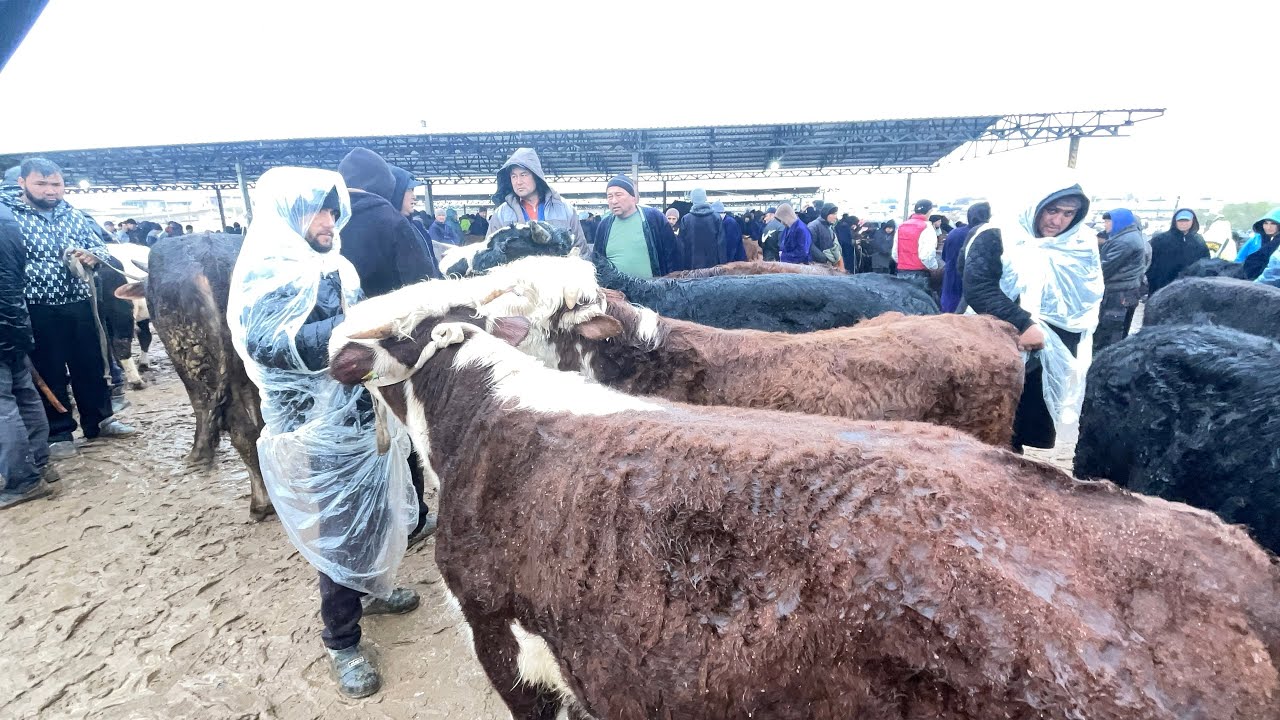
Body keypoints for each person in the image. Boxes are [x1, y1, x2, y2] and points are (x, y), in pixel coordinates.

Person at [227, 167, 419, 699]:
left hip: (358, 414)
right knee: (339, 528)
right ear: (290, 214)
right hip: (312, 428)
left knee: (378, 512)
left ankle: (374, 588)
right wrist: (355, 328)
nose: (329, 221)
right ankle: (342, 640)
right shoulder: (268, 273)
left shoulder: (334, 266)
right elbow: (269, 345)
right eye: (318, 210)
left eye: (334, 211)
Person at [0, 158, 135, 459]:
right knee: (49, 370)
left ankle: (100, 420)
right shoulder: (8, 216)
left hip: (79, 302)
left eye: (56, 184)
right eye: (41, 184)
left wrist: (91, 256)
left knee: (90, 363)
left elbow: (100, 247)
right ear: (22, 184)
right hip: (35, 307)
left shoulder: (72, 214)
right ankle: (59, 433)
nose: (50, 191)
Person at [963, 179, 1101, 453]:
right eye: (1052, 210)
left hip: (1049, 350)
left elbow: (1086, 294)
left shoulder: (1080, 244)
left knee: (1021, 421)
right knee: (985, 417)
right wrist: (1023, 323)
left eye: (1067, 213)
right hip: (996, 341)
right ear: (1036, 206)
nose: (1058, 220)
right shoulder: (997, 236)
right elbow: (978, 287)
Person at [0, 190, 56, 509]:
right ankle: (39, 463)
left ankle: (23, 479)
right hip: (16, 320)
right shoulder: (9, 216)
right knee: (22, 392)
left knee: (3, 404)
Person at [336, 148, 438, 298]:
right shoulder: (393, 222)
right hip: (394, 316)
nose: (414, 197)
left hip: (344, 316)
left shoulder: (328, 220)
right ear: (387, 185)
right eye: (410, 190)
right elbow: (421, 280)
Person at [488, 148, 588, 251]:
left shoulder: (564, 209)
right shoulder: (501, 214)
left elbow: (581, 249)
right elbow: (488, 252)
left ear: (536, 175)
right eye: (514, 176)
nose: (518, 182)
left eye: (523, 175)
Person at [594, 174, 680, 278]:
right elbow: (597, 261)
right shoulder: (604, 226)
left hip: (653, 291)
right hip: (616, 293)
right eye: (609, 196)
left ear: (633, 197)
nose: (614, 201)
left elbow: (673, 255)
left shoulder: (653, 218)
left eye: (619, 195)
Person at [1094, 208, 1150, 352]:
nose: (1105, 225)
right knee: (1119, 329)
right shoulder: (1129, 236)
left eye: (1108, 221)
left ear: (1120, 222)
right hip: (1127, 291)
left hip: (1118, 293)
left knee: (1110, 332)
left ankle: (1104, 361)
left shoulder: (1125, 241)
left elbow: (1104, 267)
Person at [941, 202, 991, 312]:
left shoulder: (954, 233)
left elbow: (944, 257)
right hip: (975, 295)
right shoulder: (990, 235)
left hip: (951, 287)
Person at [1145, 209, 1209, 295]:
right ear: (1175, 221)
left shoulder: (1199, 241)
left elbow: (1205, 262)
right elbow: (1150, 261)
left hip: (1190, 288)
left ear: (1193, 221)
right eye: (1180, 220)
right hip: (1162, 287)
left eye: (1186, 220)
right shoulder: (1160, 240)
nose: (1183, 223)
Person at [893, 199, 939, 288]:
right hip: (920, 273)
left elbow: (895, 252)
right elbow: (926, 255)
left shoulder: (902, 226)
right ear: (929, 211)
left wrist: (903, 263)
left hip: (901, 271)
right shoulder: (927, 227)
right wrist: (934, 267)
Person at [676, 189, 723, 270]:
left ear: (692, 199)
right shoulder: (716, 218)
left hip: (692, 266)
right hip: (713, 267)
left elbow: (682, 246)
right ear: (705, 198)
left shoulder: (686, 219)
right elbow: (721, 244)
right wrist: (722, 265)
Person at [1234, 207, 1280, 280]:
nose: (1268, 227)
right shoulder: (1255, 239)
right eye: (1266, 223)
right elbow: (1240, 258)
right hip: (1246, 279)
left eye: (1273, 224)